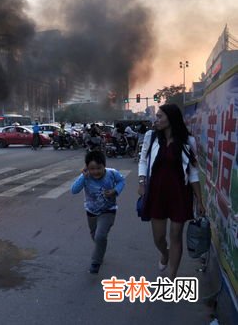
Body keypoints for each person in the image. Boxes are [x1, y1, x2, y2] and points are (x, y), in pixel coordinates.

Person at [138, 104, 205, 279]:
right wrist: (142, 181)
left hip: (179, 194)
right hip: (156, 193)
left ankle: (172, 275)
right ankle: (165, 253)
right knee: (159, 237)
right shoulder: (151, 137)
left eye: (160, 116)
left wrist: (199, 199)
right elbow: (143, 161)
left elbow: (193, 172)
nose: (156, 120)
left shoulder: (188, 141)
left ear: (171, 118)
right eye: (157, 116)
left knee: (176, 235)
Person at [71, 150, 125, 274]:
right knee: (95, 236)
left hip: (108, 210)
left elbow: (122, 181)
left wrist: (115, 190)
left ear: (104, 165)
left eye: (98, 168)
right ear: (87, 168)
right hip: (91, 211)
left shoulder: (112, 173)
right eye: (92, 169)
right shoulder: (85, 177)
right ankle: (100, 249)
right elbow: (74, 190)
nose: (95, 172)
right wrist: (83, 177)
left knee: (100, 235)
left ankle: (96, 262)